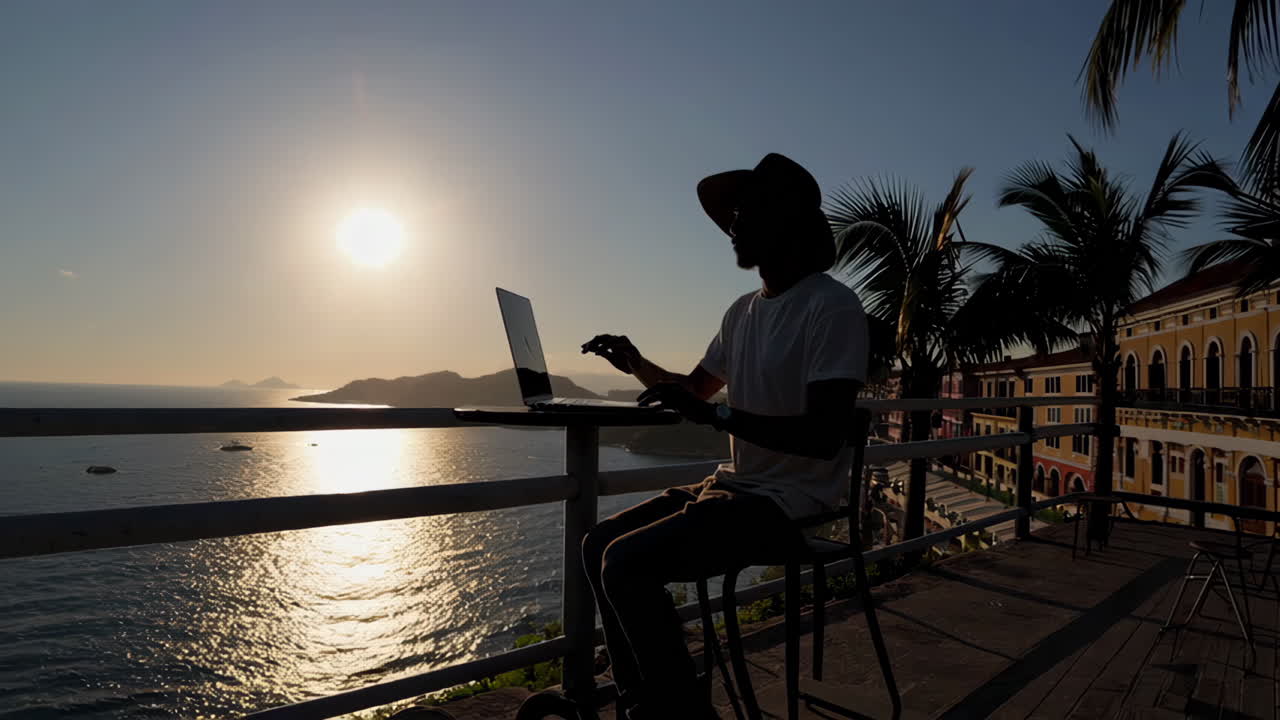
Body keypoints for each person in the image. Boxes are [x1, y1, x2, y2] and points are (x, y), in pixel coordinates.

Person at [580, 153, 869, 719]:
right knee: (597, 546)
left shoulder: (832, 307)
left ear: (783, 222)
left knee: (626, 564)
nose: (733, 226)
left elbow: (823, 436)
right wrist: (636, 363)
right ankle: (646, 700)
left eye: (746, 213)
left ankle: (682, 711)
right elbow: (693, 390)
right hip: (738, 491)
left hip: (792, 507)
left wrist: (719, 419)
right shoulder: (741, 313)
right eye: (733, 216)